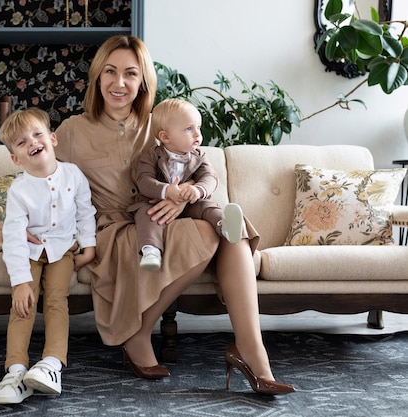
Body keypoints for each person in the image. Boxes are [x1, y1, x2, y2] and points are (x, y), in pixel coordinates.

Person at [54, 35, 294, 394]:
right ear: (97, 76)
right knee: (208, 233)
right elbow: (45, 184)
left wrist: (184, 198)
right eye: (111, 72)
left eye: (131, 74)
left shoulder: (162, 123)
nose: (120, 83)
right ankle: (138, 333)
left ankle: (252, 352)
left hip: (174, 217)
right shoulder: (71, 131)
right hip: (118, 230)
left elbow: (201, 169)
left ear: (143, 81)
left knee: (232, 228)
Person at [0, 107, 97, 405]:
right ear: (16, 158)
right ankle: (15, 371)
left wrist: (88, 247)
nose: (32, 142)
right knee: (23, 305)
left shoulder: (73, 175)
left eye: (37, 134)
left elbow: (85, 212)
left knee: (55, 300)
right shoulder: (19, 190)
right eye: (22, 142)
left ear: (52, 139)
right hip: (28, 251)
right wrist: (21, 282)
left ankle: (52, 364)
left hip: (62, 250)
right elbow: (13, 236)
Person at [128, 98, 244, 271]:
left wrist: (198, 190)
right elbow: (144, 181)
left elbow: (210, 176)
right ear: (165, 137)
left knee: (208, 206)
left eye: (198, 127)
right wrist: (166, 191)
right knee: (145, 213)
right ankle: (151, 250)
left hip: (189, 204)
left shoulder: (199, 155)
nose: (197, 134)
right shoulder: (151, 156)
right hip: (156, 204)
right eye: (189, 129)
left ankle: (225, 226)